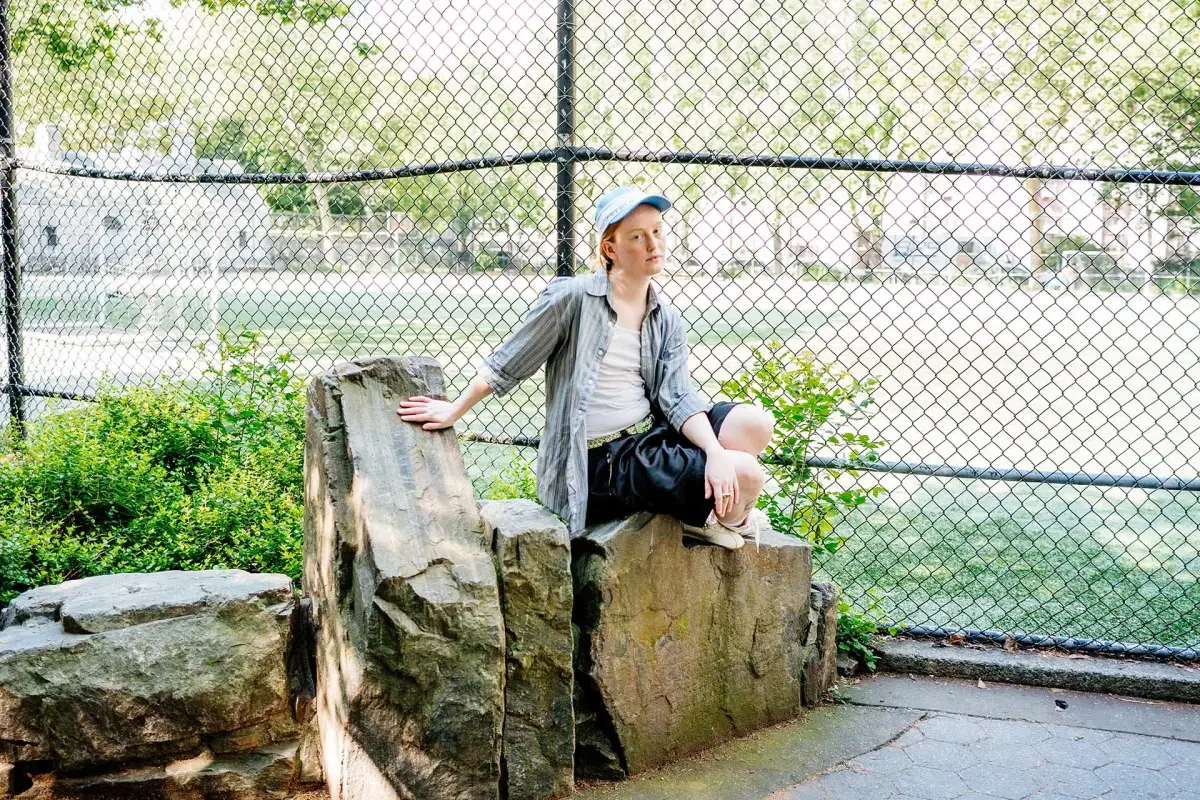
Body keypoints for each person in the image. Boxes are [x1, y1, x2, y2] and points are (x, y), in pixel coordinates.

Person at [397, 186, 775, 550]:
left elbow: (676, 398)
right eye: (638, 237)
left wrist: (714, 452)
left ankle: (700, 507)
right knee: (749, 475)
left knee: (755, 425)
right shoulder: (573, 299)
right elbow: (508, 362)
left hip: (649, 433)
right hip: (601, 460)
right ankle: (716, 519)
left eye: (658, 232)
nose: (654, 245)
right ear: (610, 248)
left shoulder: (665, 317)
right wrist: (454, 410)